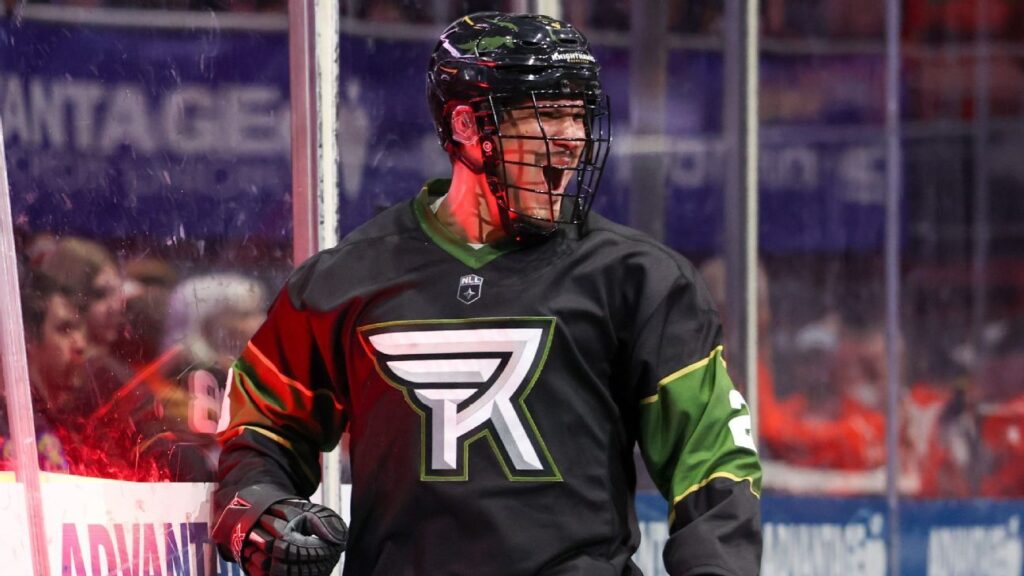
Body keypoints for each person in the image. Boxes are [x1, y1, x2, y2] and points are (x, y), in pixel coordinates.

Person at [212, 12, 762, 576]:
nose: (572, 138)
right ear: (467, 126)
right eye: (547, 114)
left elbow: (714, 461)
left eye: (578, 115)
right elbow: (260, 429)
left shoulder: (641, 280)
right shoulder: (345, 280)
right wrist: (260, 507)